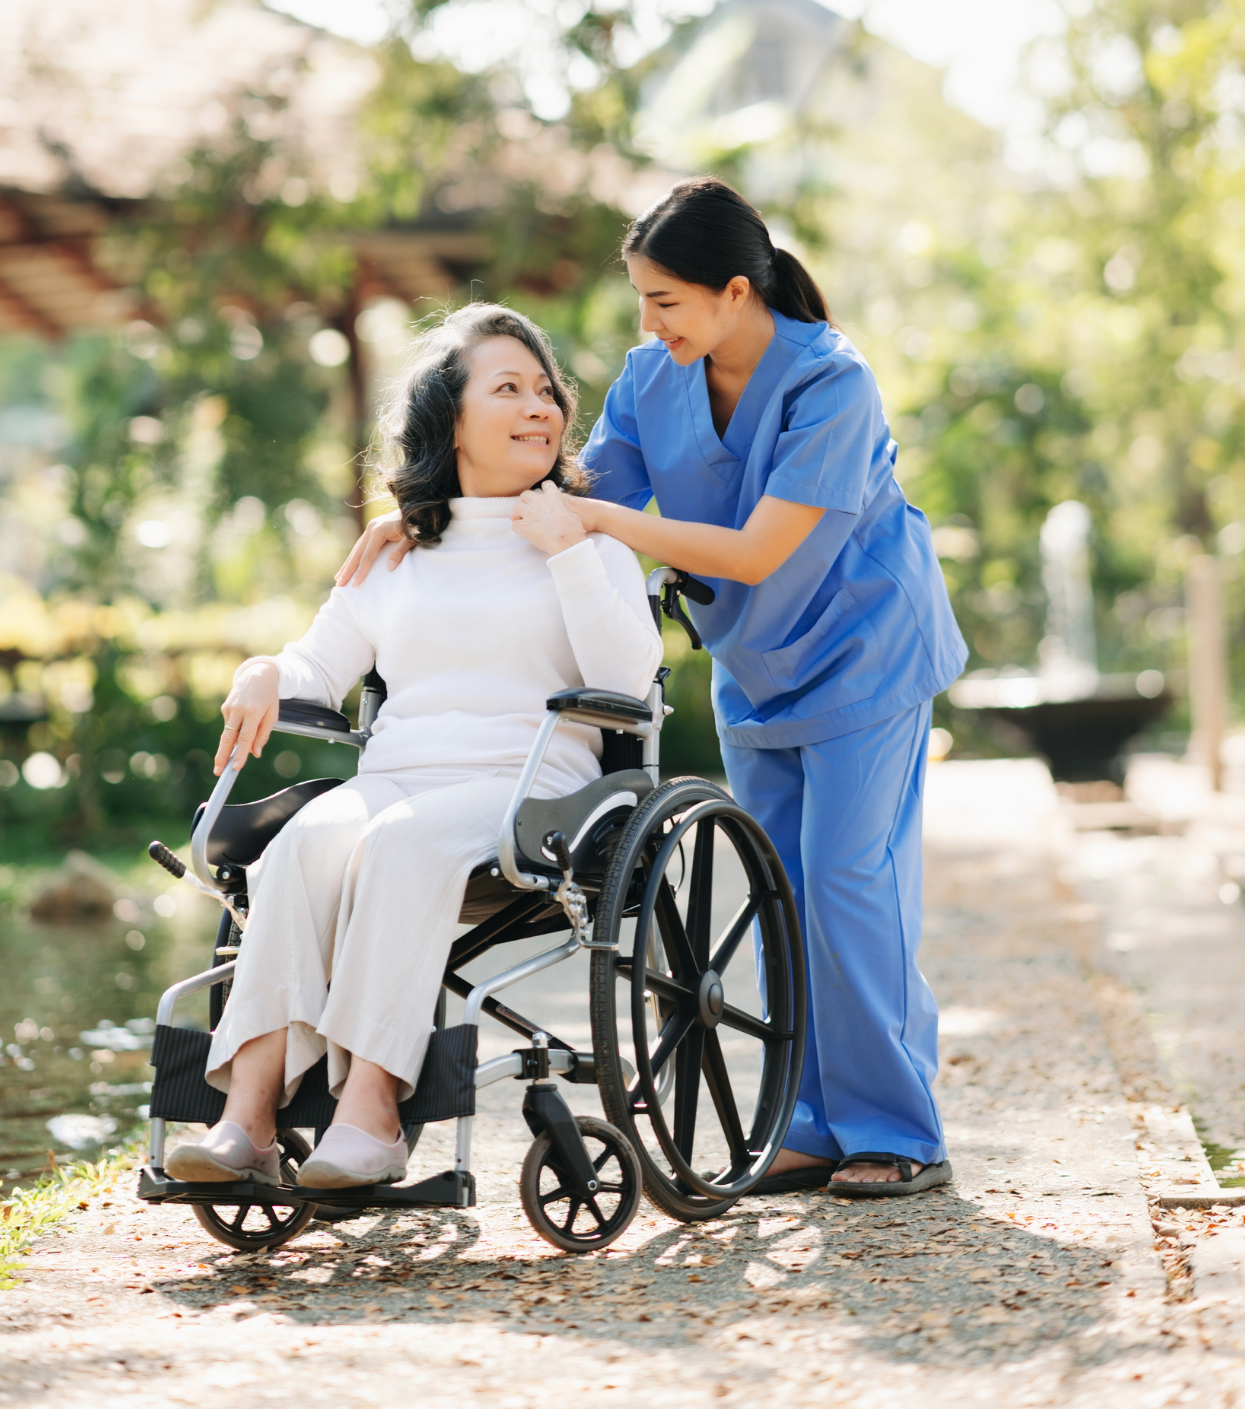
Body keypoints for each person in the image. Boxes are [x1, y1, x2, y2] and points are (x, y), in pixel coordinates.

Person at [340, 180, 967, 1200]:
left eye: (664, 300)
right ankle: (810, 1123)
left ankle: (897, 1127)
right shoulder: (653, 377)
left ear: (731, 291)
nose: (647, 322)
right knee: (782, 898)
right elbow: (574, 500)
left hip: (867, 655)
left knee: (852, 883)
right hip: (755, 665)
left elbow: (759, 547)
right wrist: (427, 516)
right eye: (641, 299)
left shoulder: (831, 385)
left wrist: (607, 528)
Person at [167, 304, 662, 1192]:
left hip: (533, 787)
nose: (540, 406)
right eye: (507, 387)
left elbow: (629, 679)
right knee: (302, 843)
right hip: (398, 777)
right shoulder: (398, 551)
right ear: (451, 418)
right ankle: (247, 1117)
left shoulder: (592, 535)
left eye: (546, 389)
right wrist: (262, 669)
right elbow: (317, 663)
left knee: (399, 842)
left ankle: (374, 1111)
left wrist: (569, 547)